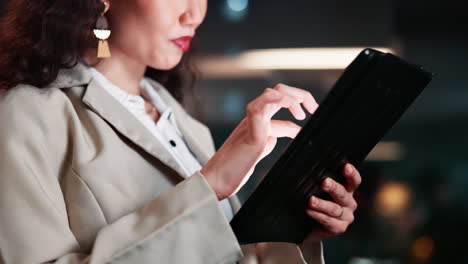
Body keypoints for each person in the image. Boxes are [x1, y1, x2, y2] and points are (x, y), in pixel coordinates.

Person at [0, 0, 362, 263]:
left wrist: (295, 226)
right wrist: (210, 183)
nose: (195, 14)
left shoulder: (185, 125)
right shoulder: (26, 114)